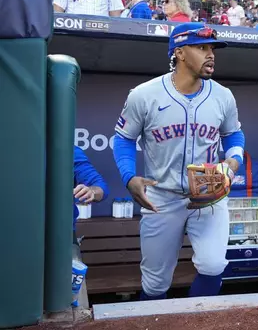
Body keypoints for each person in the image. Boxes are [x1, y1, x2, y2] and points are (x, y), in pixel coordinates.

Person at [112, 22, 245, 300]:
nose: (211, 54)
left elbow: (234, 135)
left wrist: (232, 162)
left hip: (209, 195)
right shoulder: (144, 94)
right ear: (180, 52)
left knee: (213, 265)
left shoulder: (223, 96)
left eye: (212, 48)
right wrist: (129, 176)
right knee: (155, 283)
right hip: (161, 198)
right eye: (201, 47)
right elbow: (123, 138)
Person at [72, 145, 109, 311]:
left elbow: (100, 186)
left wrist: (91, 191)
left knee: (75, 310)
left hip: (60, 239)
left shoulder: (67, 150)